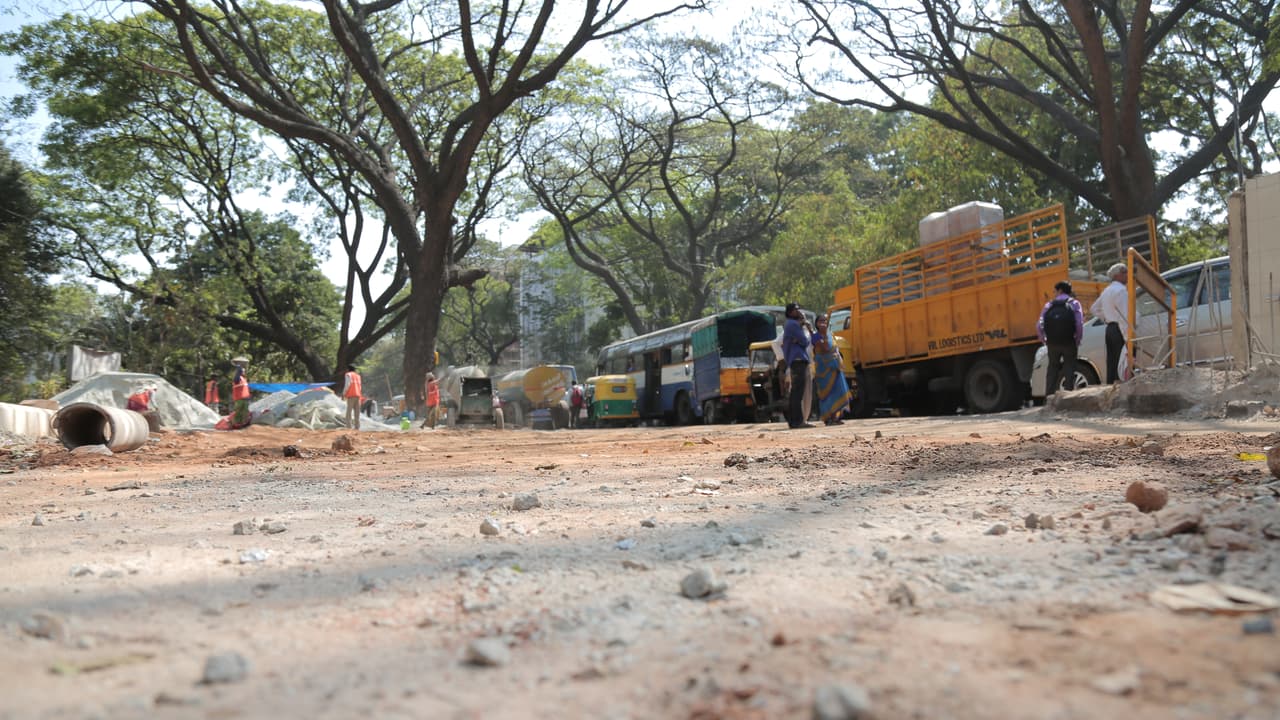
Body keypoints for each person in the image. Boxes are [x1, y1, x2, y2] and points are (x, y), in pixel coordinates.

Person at [1038, 280, 1086, 396]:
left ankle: (1049, 397)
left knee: (1052, 368)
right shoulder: (1074, 303)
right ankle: (1067, 396)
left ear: (1060, 290)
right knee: (1069, 366)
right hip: (1069, 341)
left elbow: (1039, 324)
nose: (1054, 293)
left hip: (1052, 342)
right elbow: (1079, 323)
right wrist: (1077, 339)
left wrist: (1043, 339)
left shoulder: (1049, 305)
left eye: (1055, 291)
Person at [1090, 263, 1130, 384]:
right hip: (1119, 329)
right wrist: (1128, 338)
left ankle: (1112, 389)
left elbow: (1094, 309)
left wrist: (1107, 318)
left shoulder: (1107, 290)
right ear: (1117, 275)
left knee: (1112, 362)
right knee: (1122, 362)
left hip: (1110, 329)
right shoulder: (1121, 291)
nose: (1127, 275)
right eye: (1125, 272)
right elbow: (1124, 317)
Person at [811, 314, 852, 425]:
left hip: (835, 367)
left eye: (825, 320)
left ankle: (836, 417)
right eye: (821, 320)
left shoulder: (831, 335)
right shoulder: (815, 336)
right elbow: (825, 348)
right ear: (817, 323)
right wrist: (823, 334)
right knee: (827, 393)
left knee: (838, 390)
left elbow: (835, 349)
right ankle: (828, 418)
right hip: (824, 369)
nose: (824, 322)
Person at [782, 302, 814, 429]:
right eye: (796, 310)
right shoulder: (792, 324)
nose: (799, 311)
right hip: (798, 359)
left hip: (797, 359)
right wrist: (802, 324)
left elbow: (802, 341)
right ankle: (797, 421)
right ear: (790, 312)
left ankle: (795, 420)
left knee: (796, 392)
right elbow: (805, 341)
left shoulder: (793, 325)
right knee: (797, 392)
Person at [230, 356, 251, 428]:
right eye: (243, 371)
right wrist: (239, 366)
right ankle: (236, 425)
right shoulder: (237, 379)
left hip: (245, 398)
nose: (243, 371)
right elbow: (237, 375)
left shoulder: (244, 379)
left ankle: (244, 424)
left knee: (245, 412)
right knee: (238, 412)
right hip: (239, 398)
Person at [342, 364, 363, 430]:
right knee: (357, 413)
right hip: (358, 396)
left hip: (351, 396)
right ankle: (357, 428)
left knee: (349, 413)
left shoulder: (348, 374)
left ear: (348, 369)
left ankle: (349, 428)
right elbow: (360, 387)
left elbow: (347, 385)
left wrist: (343, 394)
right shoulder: (358, 376)